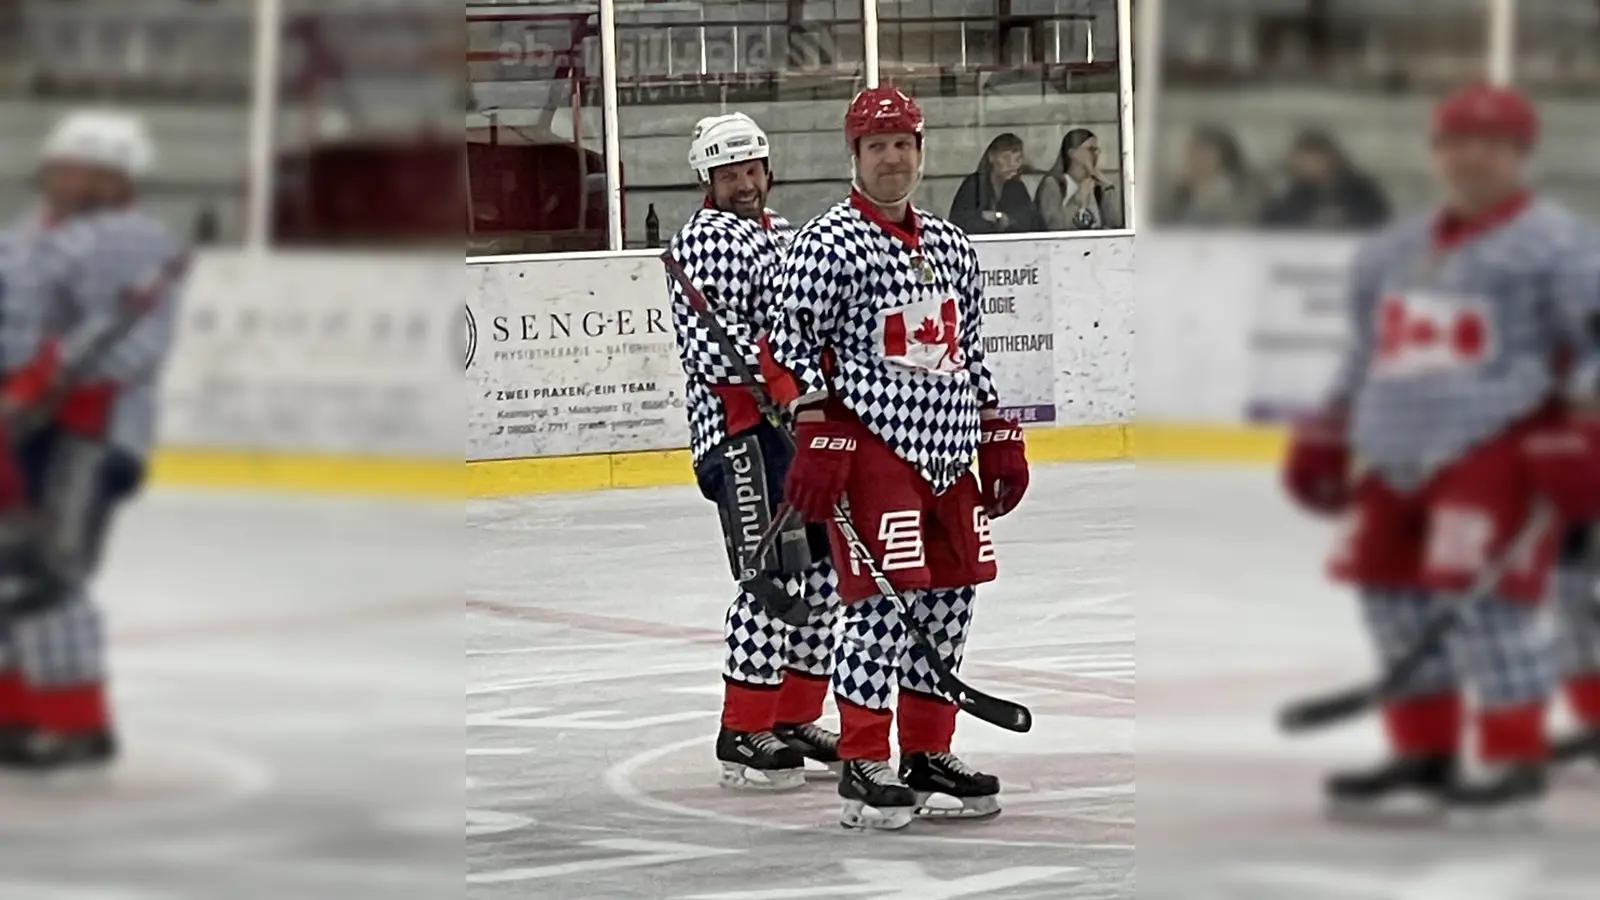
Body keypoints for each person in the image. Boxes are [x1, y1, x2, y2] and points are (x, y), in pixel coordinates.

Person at [1282, 83, 1600, 815]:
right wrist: (1329, 431)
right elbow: (1370, 350)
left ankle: (1516, 755)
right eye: (1457, 142)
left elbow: (1591, 348)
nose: (1471, 158)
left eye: (1491, 144)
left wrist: (1578, 430)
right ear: (1437, 153)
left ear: (1521, 154)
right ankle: (1423, 751)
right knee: (1389, 595)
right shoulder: (1395, 250)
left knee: (1486, 604)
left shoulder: (1560, 245)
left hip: (1496, 449)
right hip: (1395, 453)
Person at [760, 85, 1031, 830]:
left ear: (920, 150)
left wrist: (998, 431)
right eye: (876, 145)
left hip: (950, 455)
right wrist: (817, 431)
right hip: (878, 453)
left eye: (903, 143)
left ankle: (927, 752)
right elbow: (784, 351)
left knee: (950, 604)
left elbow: (966, 352)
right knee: (881, 611)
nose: (891, 157)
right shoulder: (827, 243)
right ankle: (863, 759)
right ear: (855, 155)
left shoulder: (950, 245)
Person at [0, 109, 188, 769]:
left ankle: (75, 722)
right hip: (19, 425)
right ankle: (15, 714)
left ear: (120, 180)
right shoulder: (26, 235)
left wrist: (38, 384)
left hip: (87, 432)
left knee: (50, 572)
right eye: (66, 166)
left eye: (92, 171)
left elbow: (129, 345)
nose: (73, 179)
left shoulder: (130, 241)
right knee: (7, 568)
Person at [663, 112, 843, 792]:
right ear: (708, 178)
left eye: (751, 169)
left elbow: (803, 326)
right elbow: (716, 350)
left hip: (793, 427)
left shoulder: (785, 234)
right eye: (728, 172)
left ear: (767, 170)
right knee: (774, 577)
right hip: (741, 434)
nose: (743, 182)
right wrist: (785, 389)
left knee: (823, 576)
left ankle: (794, 716)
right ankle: (742, 729)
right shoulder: (707, 240)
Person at [1259, 129, 1390, 231]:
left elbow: (1378, 223)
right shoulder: (1290, 198)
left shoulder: (1362, 193)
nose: (1311, 166)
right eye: (1305, 161)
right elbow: (1271, 226)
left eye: (1316, 160)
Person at [1162, 126, 1262, 226]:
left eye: (1203, 151)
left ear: (1222, 155)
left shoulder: (1242, 192)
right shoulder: (1180, 193)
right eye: (1191, 151)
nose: (1194, 157)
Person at [946, 133, 1040, 235]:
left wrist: (1006, 220)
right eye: (1005, 158)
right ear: (991, 157)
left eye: (1017, 159)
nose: (1012, 164)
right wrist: (988, 220)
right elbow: (958, 222)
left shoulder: (1017, 188)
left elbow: (1032, 222)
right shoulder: (975, 185)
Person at [1035, 128, 1122, 231]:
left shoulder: (1098, 187)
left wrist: (1107, 187)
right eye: (1090, 149)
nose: (1096, 154)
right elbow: (1055, 227)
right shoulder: (1054, 184)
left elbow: (1116, 223)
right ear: (1072, 153)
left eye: (1097, 150)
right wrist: (1078, 201)